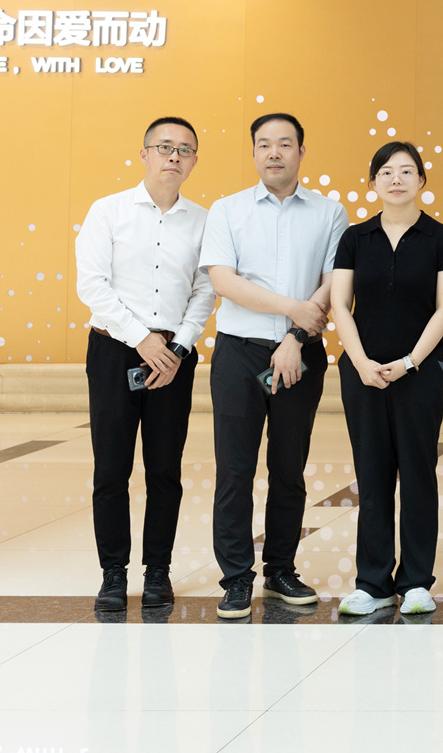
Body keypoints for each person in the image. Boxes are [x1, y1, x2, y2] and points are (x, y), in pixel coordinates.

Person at [199, 112, 348, 620]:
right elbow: (224, 281)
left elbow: (333, 282)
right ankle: (236, 578)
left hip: (301, 353)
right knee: (234, 470)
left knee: (289, 468)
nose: (274, 153)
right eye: (264, 144)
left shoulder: (329, 212)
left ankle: (281, 570)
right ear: (254, 152)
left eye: (285, 143)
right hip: (239, 353)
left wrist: (295, 337)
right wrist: (292, 312)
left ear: (301, 151)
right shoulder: (227, 210)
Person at [76, 116, 214, 613]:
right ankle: (113, 574)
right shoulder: (107, 211)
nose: (174, 156)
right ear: (144, 154)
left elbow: (205, 290)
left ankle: (158, 570)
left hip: (174, 359)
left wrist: (178, 348)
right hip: (114, 351)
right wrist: (141, 339)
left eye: (185, 149)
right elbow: (92, 285)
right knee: (111, 469)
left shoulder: (204, 221)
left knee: (165, 470)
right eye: (165, 147)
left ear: (193, 161)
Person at [326, 141, 443, 616]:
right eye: (386, 172)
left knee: (418, 473)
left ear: (422, 180)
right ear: (373, 182)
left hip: (418, 374)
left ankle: (417, 582)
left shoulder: (441, 238)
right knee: (372, 475)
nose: (396, 179)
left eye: (407, 171)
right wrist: (361, 362)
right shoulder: (355, 238)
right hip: (362, 373)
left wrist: (409, 362)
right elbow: (340, 304)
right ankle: (373, 582)